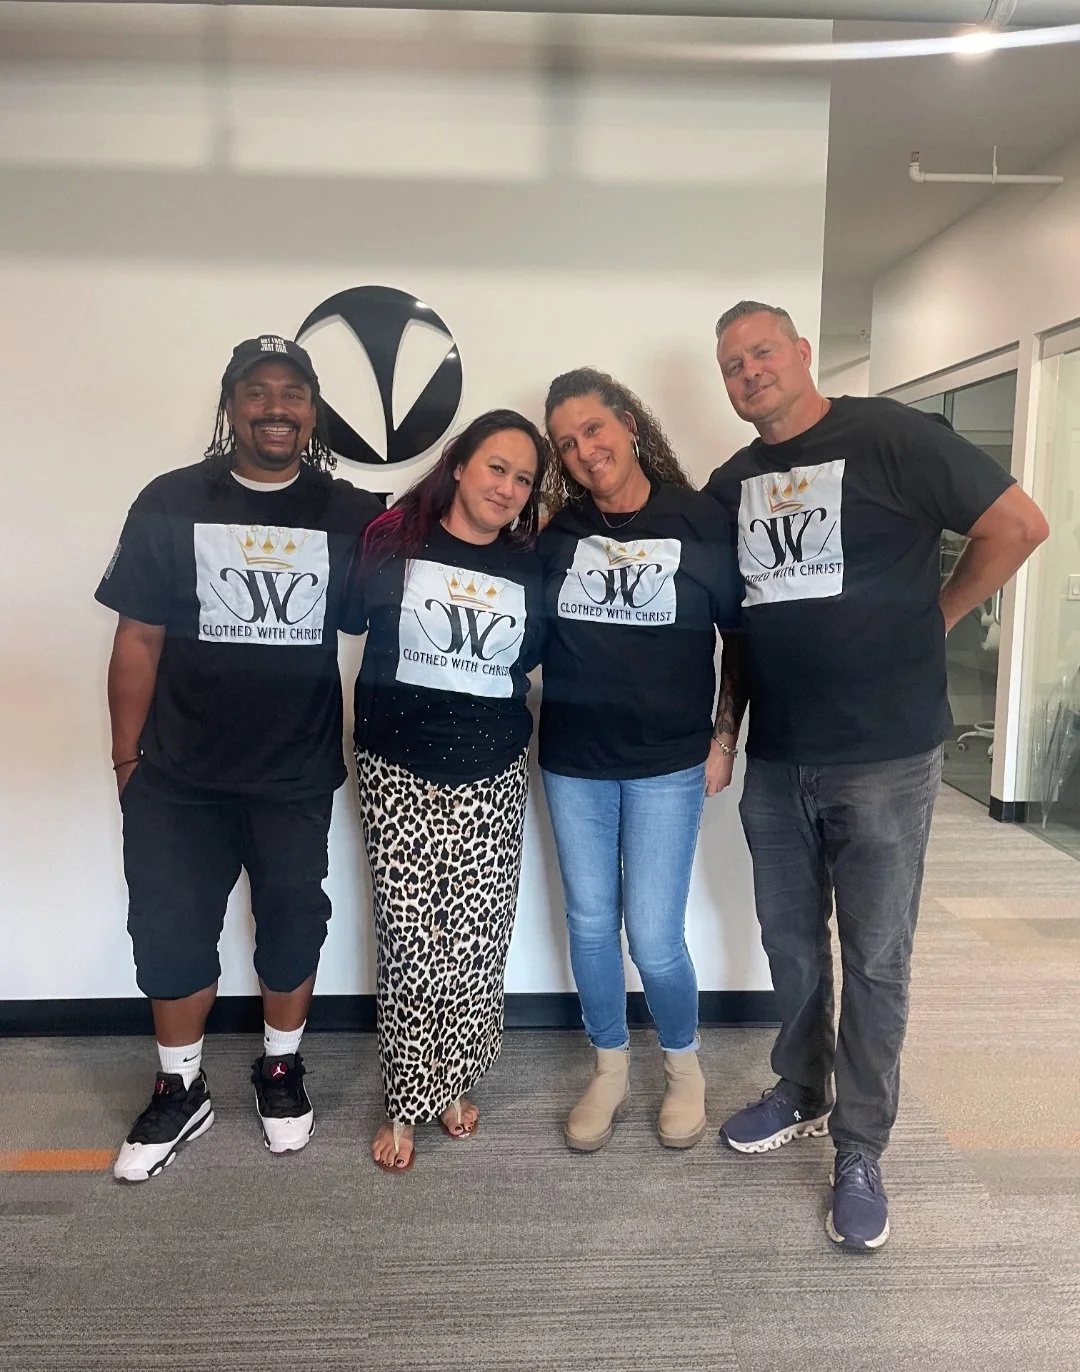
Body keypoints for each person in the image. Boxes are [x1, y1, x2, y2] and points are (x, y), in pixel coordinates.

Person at [706, 301, 1049, 1250]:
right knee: (792, 944)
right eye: (731, 365)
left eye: (763, 353)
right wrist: (726, 731)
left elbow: (1019, 524)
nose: (749, 375)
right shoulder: (732, 480)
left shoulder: (892, 436)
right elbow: (738, 627)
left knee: (876, 957)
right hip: (778, 756)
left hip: (886, 754)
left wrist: (934, 618)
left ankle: (860, 1146)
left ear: (802, 352)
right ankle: (803, 1088)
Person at [96, 335, 383, 1183]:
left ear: (314, 409)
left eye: (292, 393)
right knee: (169, 930)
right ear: (230, 406)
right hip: (177, 775)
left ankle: (281, 1068)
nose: (275, 408)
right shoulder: (170, 500)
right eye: (256, 392)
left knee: (294, 923)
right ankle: (180, 1087)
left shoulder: (347, 513)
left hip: (294, 773)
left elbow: (429, 565)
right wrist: (124, 760)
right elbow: (137, 636)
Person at [539, 368, 742, 1153]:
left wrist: (723, 738)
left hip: (667, 763)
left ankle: (684, 1071)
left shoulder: (697, 519)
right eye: (566, 442)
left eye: (593, 429)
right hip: (574, 763)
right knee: (591, 923)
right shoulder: (558, 533)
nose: (584, 450)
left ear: (627, 423)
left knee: (653, 933)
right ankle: (610, 1066)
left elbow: (742, 638)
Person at [348, 410, 548, 1172]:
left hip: (493, 772)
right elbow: (347, 628)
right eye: (496, 467)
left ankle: (457, 1079)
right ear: (460, 465)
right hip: (396, 764)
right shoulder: (390, 542)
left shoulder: (530, 564)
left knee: (475, 940)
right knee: (410, 943)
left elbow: (530, 663)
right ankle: (406, 1096)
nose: (508, 487)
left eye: (524, 478)